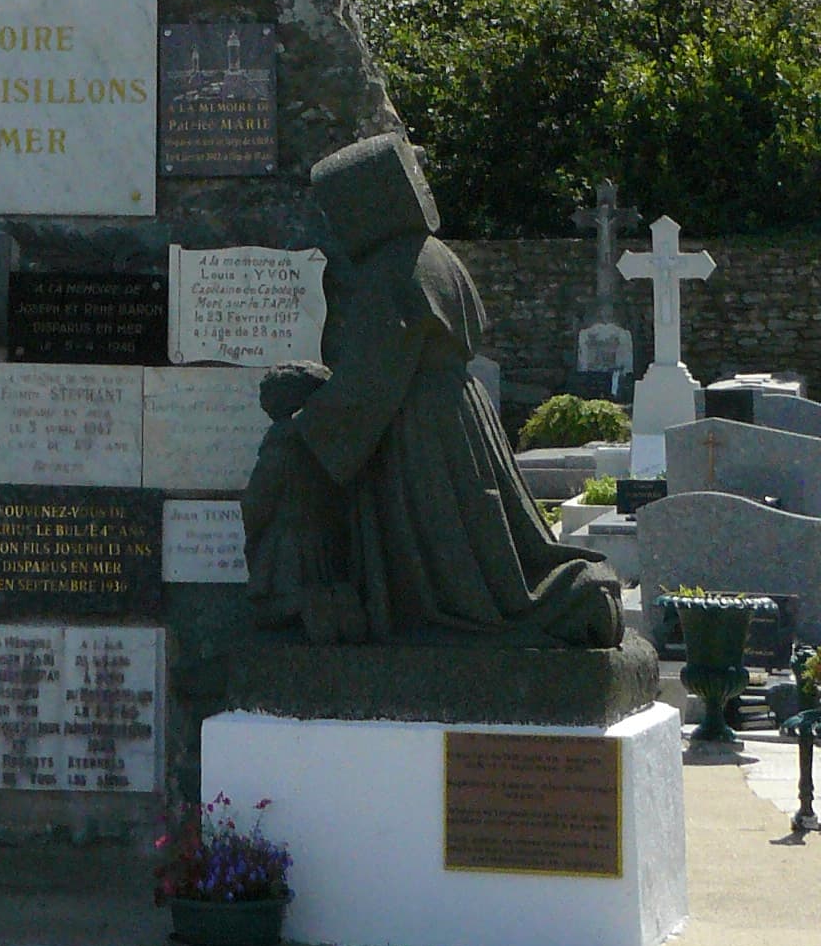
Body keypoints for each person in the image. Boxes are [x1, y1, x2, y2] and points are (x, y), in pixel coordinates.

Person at [243, 133, 622, 648]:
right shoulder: (433, 256)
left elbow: (371, 382)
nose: (338, 223)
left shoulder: (392, 271)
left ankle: (513, 612)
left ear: (369, 201)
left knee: (453, 564)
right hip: (456, 413)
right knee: (479, 545)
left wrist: (307, 427)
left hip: (423, 430)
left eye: (342, 209)